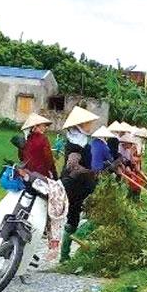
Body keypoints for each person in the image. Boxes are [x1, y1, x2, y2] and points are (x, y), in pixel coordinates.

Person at [58, 106, 99, 262]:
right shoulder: (75, 143)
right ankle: (65, 254)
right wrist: (90, 172)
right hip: (75, 186)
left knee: (80, 216)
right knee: (75, 217)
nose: (91, 126)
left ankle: (67, 253)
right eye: (88, 123)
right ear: (80, 125)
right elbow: (71, 165)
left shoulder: (82, 141)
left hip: (83, 185)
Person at [19, 113, 57, 179]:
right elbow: (48, 158)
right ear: (36, 126)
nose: (46, 127)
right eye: (44, 125)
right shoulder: (43, 138)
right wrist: (54, 172)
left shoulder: (25, 139)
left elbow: (21, 157)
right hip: (40, 173)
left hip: (27, 173)